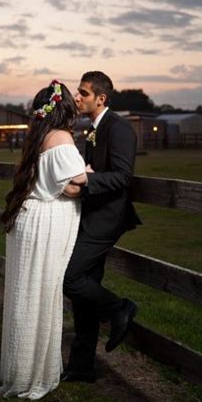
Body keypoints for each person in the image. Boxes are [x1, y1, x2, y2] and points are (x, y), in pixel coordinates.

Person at [0, 80, 87, 400]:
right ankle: (33, 375)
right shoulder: (61, 137)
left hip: (28, 220)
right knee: (40, 296)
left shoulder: (37, 137)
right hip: (45, 224)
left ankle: (19, 371)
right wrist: (86, 173)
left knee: (26, 296)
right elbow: (71, 187)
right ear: (64, 109)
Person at [62, 71, 141, 383]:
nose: (77, 97)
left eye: (83, 93)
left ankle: (120, 307)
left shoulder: (119, 128)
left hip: (106, 218)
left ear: (101, 99)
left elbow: (122, 177)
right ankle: (81, 367)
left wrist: (84, 181)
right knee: (84, 293)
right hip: (88, 215)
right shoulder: (91, 128)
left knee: (69, 278)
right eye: (78, 92)